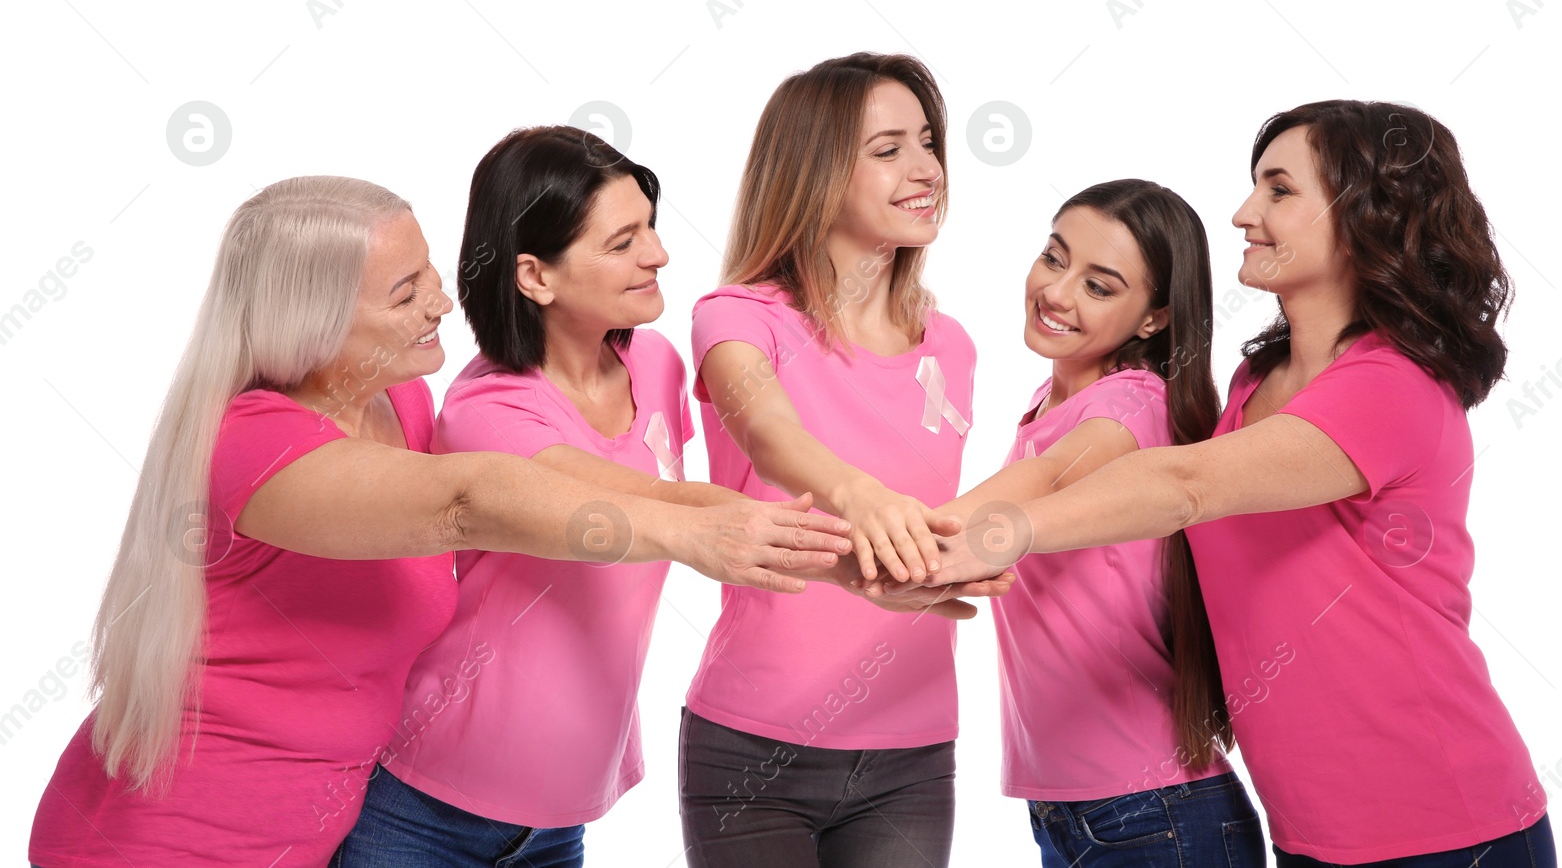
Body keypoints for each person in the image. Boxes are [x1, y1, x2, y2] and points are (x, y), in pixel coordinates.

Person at [28, 175, 853, 868]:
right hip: (159, 839)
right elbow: (467, 501)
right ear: (312, 320)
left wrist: (820, 542)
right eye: (404, 291)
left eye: (428, 271)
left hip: (314, 834)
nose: (441, 301)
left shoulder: (403, 398)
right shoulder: (252, 437)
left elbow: (580, 483)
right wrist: (695, 538)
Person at [903, 101, 1555, 866]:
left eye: (1280, 190)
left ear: (1366, 213)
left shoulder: (1394, 384)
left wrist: (990, 535)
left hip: (1450, 827)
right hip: (1311, 833)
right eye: (1255, 186)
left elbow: (1184, 484)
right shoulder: (1253, 381)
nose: (1246, 211)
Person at [333, 127, 771, 866]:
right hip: (423, 812)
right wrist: (832, 542)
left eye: (651, 230)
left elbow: (692, 496)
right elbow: (636, 506)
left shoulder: (655, 362)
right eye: (623, 240)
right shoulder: (487, 412)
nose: (658, 254)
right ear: (534, 275)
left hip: (560, 819)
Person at [676, 52, 979, 868]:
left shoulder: (950, 345)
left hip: (915, 751)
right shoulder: (736, 318)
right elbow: (767, 430)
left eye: (928, 142)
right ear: (813, 174)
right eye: (887, 150)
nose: (925, 170)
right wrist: (856, 492)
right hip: (752, 747)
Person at [943, 180, 1264, 866]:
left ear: (1153, 319)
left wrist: (905, 536)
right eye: (1054, 258)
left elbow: (1050, 479)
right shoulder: (1046, 401)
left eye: (1099, 285)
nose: (1056, 292)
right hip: (1079, 808)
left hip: (1157, 813)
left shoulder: (1131, 406)